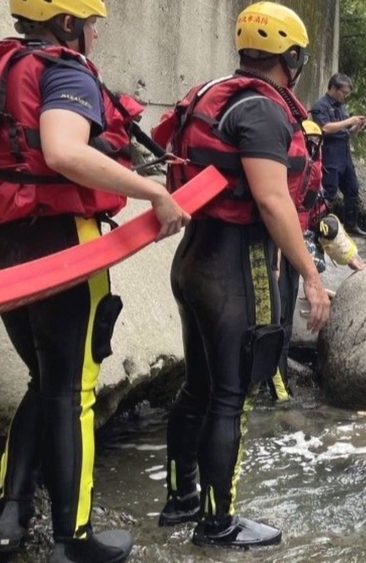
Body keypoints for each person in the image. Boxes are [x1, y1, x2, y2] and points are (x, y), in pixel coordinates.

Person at [0, 1, 190, 562]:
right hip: (64, 245)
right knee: (72, 390)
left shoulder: (8, 66)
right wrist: (152, 191)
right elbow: (62, 150)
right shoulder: (64, 69)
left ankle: (9, 517)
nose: (95, 36)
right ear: (66, 22)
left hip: (10, 245)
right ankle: (73, 539)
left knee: (44, 378)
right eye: (91, 25)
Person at [150, 1, 330, 548]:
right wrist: (313, 278)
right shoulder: (263, 111)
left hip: (194, 258)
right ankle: (217, 521)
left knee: (199, 388)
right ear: (291, 57)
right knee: (231, 397)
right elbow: (274, 202)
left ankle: (181, 499)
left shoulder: (215, 93)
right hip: (234, 265)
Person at [269, 120, 366, 403]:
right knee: (278, 323)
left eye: (315, 142)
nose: (311, 147)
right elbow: (274, 212)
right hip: (276, 246)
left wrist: (353, 261)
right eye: (307, 141)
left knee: (284, 323)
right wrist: (275, 257)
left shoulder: (312, 174)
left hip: (294, 246)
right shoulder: (286, 171)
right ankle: (275, 392)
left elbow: (323, 223)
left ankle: (278, 391)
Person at [309, 73, 366, 237]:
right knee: (329, 191)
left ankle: (351, 225)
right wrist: (349, 121)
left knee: (352, 189)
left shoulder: (342, 107)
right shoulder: (320, 105)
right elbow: (325, 128)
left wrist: (357, 126)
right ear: (334, 88)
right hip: (330, 152)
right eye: (343, 92)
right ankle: (322, 228)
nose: (345, 96)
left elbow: (348, 132)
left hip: (344, 151)